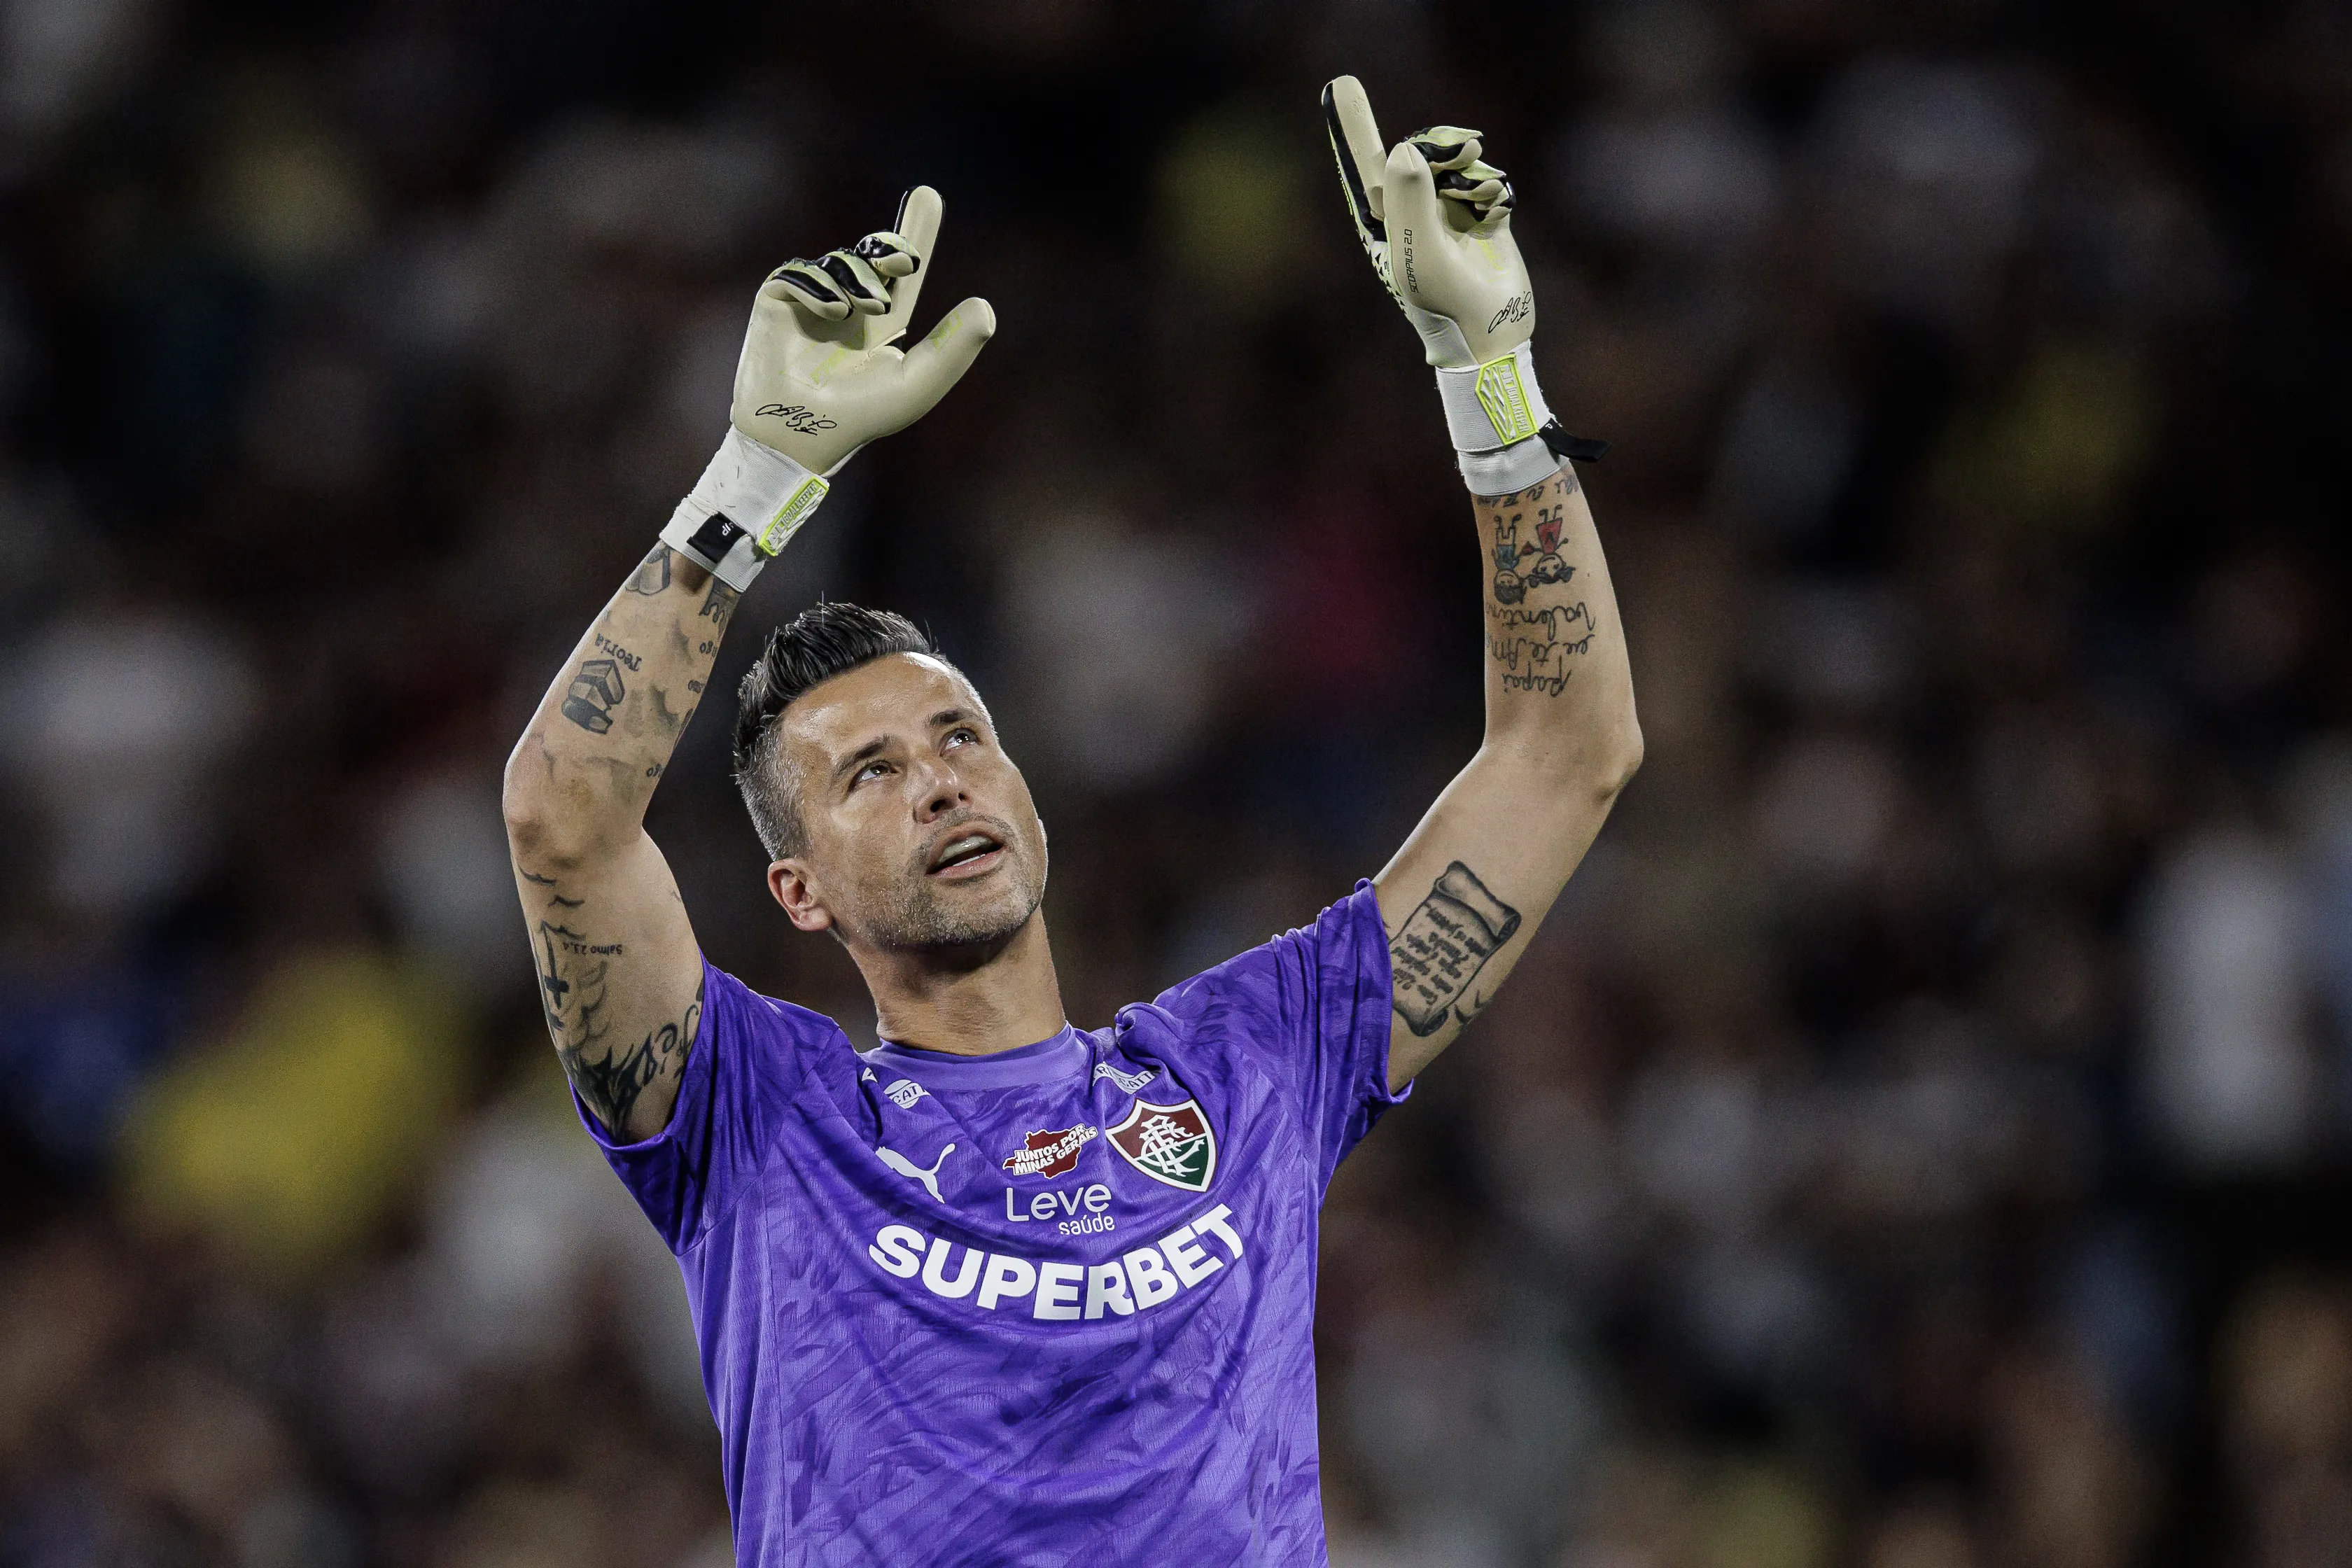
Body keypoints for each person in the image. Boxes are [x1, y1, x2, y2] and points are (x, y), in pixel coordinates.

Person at [500, 76, 1642, 1567]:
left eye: (961, 736)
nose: (940, 779)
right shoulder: (761, 1118)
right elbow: (561, 818)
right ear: (798, 891)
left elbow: (1572, 750)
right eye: (869, 774)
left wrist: (1489, 367)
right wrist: (760, 475)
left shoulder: (1254, 1063)